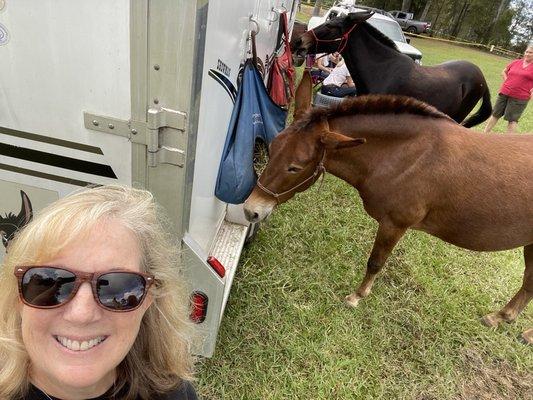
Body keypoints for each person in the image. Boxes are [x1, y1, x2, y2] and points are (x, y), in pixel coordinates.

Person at [0, 185, 198, 400]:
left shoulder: (172, 393)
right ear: (17, 296)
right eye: (50, 282)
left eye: (117, 287)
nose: (81, 315)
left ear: (148, 299)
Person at [484, 43, 533, 133]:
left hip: (520, 97)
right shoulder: (516, 62)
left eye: (530, 52)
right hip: (504, 92)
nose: (527, 54)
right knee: (495, 114)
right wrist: (507, 81)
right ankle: (485, 134)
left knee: (512, 120)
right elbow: (504, 71)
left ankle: (509, 140)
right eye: (526, 52)